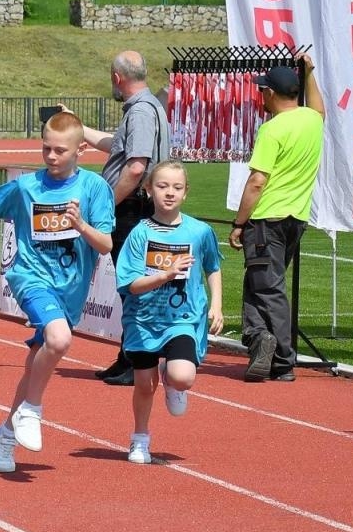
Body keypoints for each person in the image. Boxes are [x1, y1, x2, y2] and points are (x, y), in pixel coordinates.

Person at [0, 110, 115, 473]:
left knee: (37, 364)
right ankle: (32, 410)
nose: (51, 157)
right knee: (58, 340)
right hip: (30, 277)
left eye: (60, 151)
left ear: (80, 150)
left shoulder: (94, 188)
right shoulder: (27, 187)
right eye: (46, 149)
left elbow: (104, 245)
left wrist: (80, 225)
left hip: (69, 290)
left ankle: (6, 434)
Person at [115, 161, 223, 464]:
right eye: (162, 186)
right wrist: (165, 275)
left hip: (182, 318)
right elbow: (130, 284)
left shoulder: (199, 231)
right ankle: (140, 439)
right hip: (144, 319)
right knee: (144, 386)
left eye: (177, 187)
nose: (170, 193)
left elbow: (213, 267)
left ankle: (172, 380)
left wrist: (216, 304)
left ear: (186, 193)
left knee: (183, 376)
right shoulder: (139, 234)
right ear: (149, 190)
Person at [228, 57, 324, 383]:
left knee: (268, 288)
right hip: (296, 217)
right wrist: (309, 74)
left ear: (270, 93)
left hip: (266, 220)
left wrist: (239, 223)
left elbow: (257, 181)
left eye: (262, 90)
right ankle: (259, 341)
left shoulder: (271, 129)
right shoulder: (312, 120)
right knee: (257, 285)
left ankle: (282, 358)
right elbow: (320, 108)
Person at [82, 50, 171, 386]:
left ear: (117, 77)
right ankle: (129, 357)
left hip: (132, 207)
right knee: (129, 286)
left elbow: (135, 165)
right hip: (134, 205)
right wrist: (80, 128)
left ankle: (139, 362)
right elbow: (119, 148)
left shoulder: (142, 112)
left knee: (134, 287)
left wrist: (108, 204)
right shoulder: (144, 109)